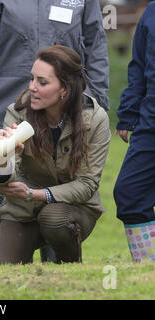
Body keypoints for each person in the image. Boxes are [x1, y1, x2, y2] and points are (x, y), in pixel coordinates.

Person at [0, 0, 110, 263]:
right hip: (5, 95)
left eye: (41, 81)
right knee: (0, 270)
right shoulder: (14, 111)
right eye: (33, 80)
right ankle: (21, 231)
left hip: (69, 104)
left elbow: (95, 43)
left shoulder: (92, 117)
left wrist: (96, 97)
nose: (33, 86)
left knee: (56, 217)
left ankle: (59, 252)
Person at [113, 3, 155, 262]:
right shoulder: (151, 12)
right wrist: (128, 114)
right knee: (129, 193)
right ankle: (148, 268)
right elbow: (139, 66)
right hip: (150, 122)